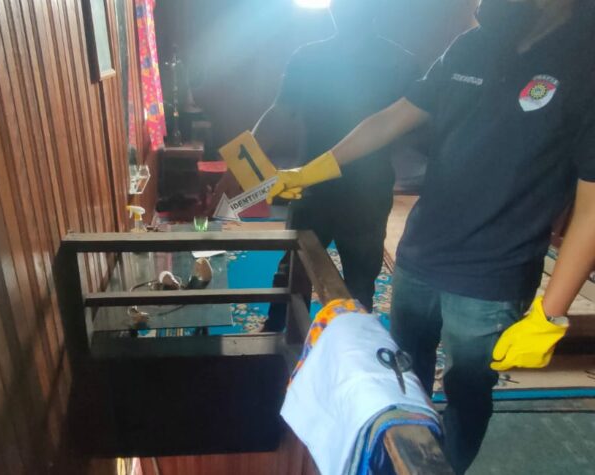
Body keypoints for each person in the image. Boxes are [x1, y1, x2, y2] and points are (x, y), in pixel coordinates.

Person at [267, 0, 595, 472]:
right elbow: (392, 117)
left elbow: (590, 205)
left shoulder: (585, 63)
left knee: (467, 391)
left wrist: (551, 312)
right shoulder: (473, 44)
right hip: (420, 255)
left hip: (492, 278)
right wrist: (314, 169)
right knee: (400, 375)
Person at [243, 0, 421, 331]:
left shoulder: (401, 64)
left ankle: (350, 343)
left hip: (367, 193)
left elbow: (412, 126)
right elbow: (279, 111)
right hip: (311, 185)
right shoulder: (307, 57)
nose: (345, 10)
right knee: (293, 266)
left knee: (359, 277)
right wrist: (239, 167)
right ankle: (277, 331)